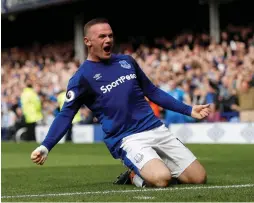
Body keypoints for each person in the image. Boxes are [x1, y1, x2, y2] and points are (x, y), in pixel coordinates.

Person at [30, 18, 211, 188]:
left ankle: (152, 165)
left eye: (110, 35)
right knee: (161, 179)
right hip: (126, 138)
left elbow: (152, 91)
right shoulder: (81, 77)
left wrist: (188, 110)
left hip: (155, 127)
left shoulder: (127, 62)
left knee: (198, 178)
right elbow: (66, 115)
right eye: (102, 36)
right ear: (88, 41)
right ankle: (134, 175)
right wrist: (46, 145)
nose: (108, 39)